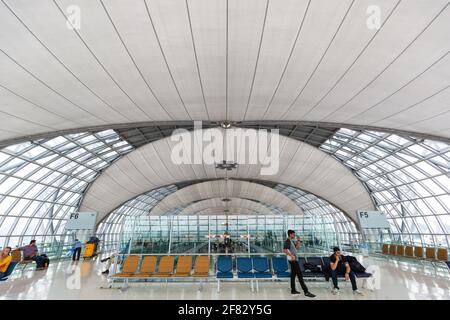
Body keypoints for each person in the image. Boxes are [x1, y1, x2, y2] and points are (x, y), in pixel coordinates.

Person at [283, 230, 316, 298]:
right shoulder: (287, 241)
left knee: (293, 275)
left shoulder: (291, 241)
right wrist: (292, 255)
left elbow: (297, 248)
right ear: (290, 234)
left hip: (294, 260)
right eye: (293, 234)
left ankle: (293, 290)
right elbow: (285, 250)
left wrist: (298, 241)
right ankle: (306, 291)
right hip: (293, 261)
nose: (294, 235)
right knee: (300, 275)